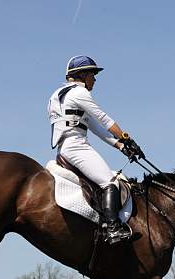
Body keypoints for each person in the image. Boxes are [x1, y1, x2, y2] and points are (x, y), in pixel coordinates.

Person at [47, 55, 144, 245]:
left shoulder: (58, 95)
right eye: (93, 74)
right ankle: (112, 228)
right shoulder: (79, 93)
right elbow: (105, 120)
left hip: (65, 147)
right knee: (110, 182)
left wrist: (121, 147)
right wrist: (128, 138)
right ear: (82, 75)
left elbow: (94, 127)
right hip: (76, 146)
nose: (95, 79)